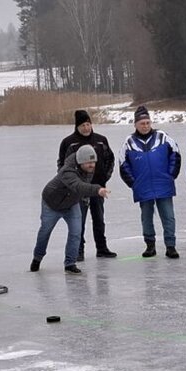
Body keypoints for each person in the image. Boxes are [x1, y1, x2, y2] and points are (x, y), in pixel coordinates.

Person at [30, 145, 109, 274]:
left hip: (71, 203)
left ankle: (70, 263)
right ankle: (37, 258)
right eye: (89, 162)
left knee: (76, 232)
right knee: (45, 231)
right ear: (80, 161)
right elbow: (78, 185)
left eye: (93, 162)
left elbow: (82, 187)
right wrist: (97, 189)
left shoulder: (88, 168)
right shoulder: (67, 171)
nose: (92, 165)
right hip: (52, 203)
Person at [120, 105, 181, 258]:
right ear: (135, 124)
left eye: (148, 123)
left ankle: (171, 246)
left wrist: (171, 175)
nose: (145, 126)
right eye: (142, 123)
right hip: (143, 187)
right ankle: (150, 246)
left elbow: (175, 155)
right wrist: (134, 183)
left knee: (168, 216)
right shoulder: (129, 142)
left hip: (163, 184)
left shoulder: (163, 137)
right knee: (146, 217)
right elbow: (123, 164)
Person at [58, 109, 117, 261]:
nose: (86, 128)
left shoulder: (101, 140)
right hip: (78, 190)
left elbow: (110, 159)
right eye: (83, 125)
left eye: (88, 124)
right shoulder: (68, 142)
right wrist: (70, 184)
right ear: (77, 126)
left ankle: (102, 248)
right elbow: (62, 166)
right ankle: (79, 250)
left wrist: (105, 177)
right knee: (79, 221)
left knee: (99, 219)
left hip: (98, 188)